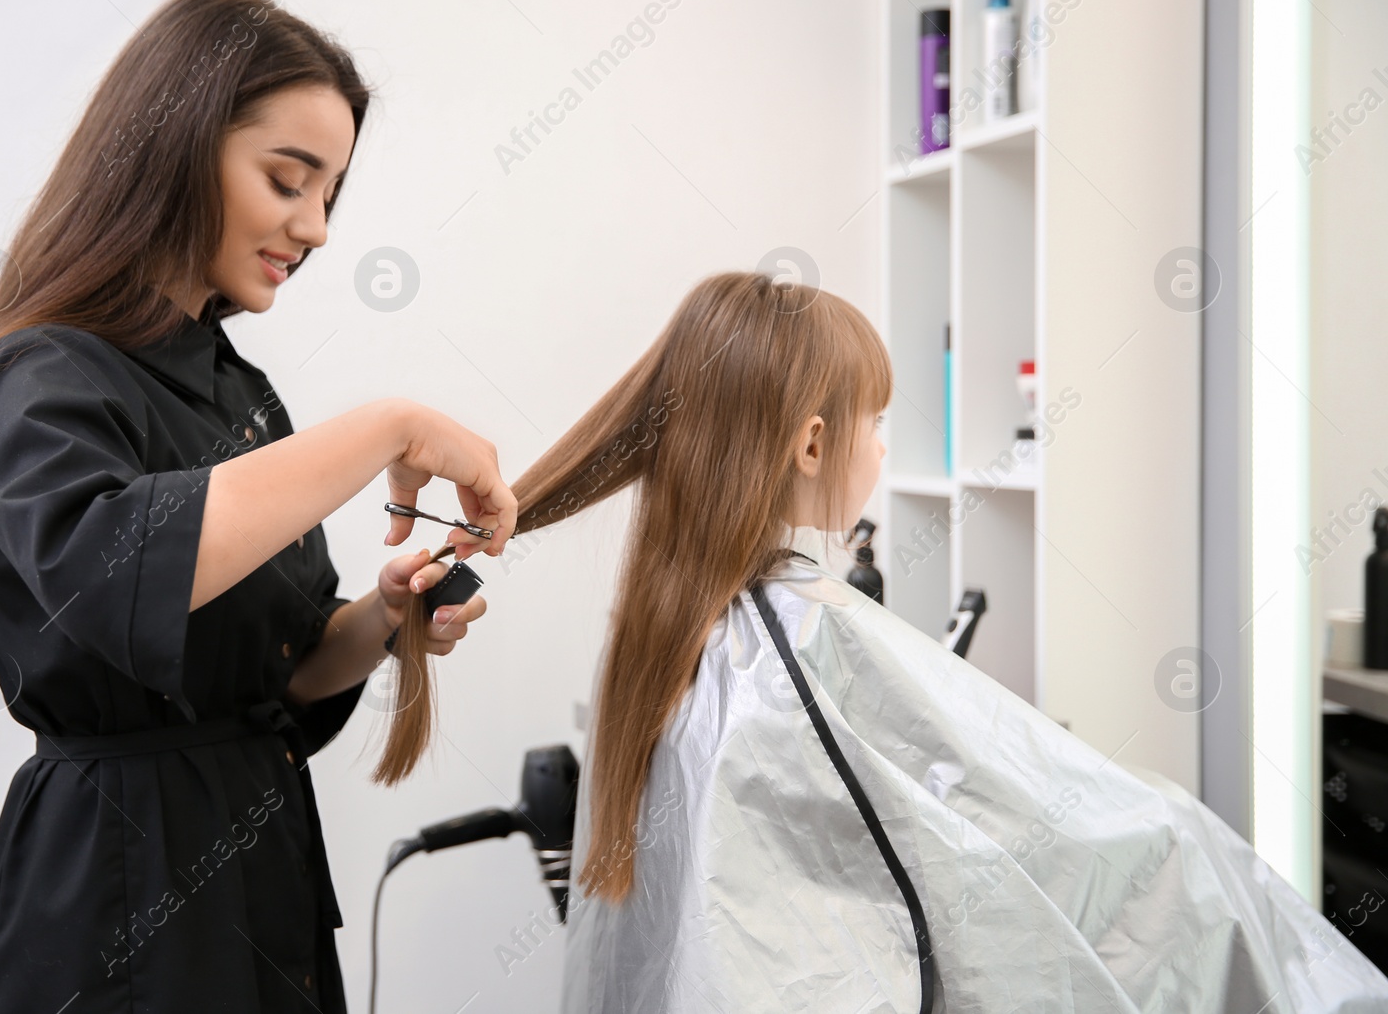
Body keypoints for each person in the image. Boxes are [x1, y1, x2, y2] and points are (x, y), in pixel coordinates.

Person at [406, 271, 1388, 1011]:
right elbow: (1099, 855)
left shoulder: (679, 620)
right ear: (811, 444)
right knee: (1186, 847)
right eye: (875, 419)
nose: (883, 445)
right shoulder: (787, 640)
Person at [0, 0, 514, 1013]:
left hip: (261, 866)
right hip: (117, 892)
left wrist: (379, 617)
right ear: (177, 145)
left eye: (332, 193)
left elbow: (275, 676)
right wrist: (388, 427)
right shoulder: (42, 371)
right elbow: (118, 577)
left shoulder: (238, 392)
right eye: (289, 180)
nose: (317, 227)